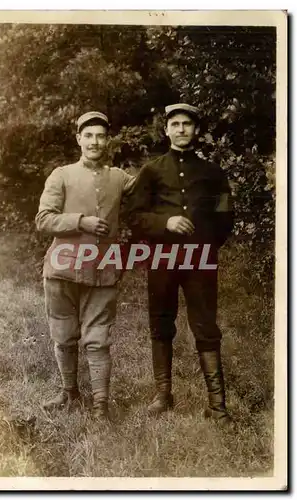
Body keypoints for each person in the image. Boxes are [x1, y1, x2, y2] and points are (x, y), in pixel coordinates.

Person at [127, 103, 234, 422]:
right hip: (162, 258)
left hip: (200, 259)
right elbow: (134, 216)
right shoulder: (152, 170)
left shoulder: (213, 172)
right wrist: (166, 223)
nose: (182, 129)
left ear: (196, 130)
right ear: (167, 130)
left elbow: (226, 214)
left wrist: (209, 244)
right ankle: (163, 395)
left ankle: (217, 406)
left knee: (205, 324)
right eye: (175, 124)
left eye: (188, 124)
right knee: (161, 321)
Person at [35, 111, 134, 418]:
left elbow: (150, 188)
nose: (94, 141)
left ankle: (100, 405)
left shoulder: (119, 177)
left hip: (103, 268)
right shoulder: (61, 174)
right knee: (64, 335)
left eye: (100, 136)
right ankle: (69, 394)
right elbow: (43, 219)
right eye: (88, 135)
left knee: (98, 337)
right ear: (79, 139)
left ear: (108, 140)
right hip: (62, 270)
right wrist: (82, 222)